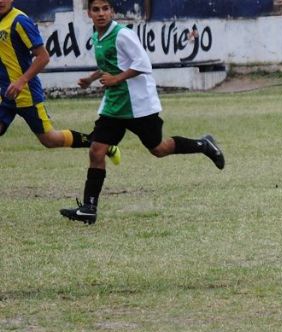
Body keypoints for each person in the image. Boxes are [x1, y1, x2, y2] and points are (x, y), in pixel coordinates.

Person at [59, 0, 224, 225]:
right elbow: (111, 63)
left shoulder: (122, 34)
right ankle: (89, 208)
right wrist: (91, 78)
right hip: (114, 106)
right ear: (89, 13)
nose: (101, 14)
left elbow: (143, 63)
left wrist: (116, 78)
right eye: (96, 9)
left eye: (105, 9)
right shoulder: (97, 36)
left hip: (139, 104)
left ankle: (204, 145)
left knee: (158, 149)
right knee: (97, 150)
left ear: (112, 12)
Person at [0, 0, 120, 164]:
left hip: (26, 93)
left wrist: (22, 80)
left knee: (49, 140)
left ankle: (99, 142)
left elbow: (43, 57)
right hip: (5, 93)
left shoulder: (20, 21)